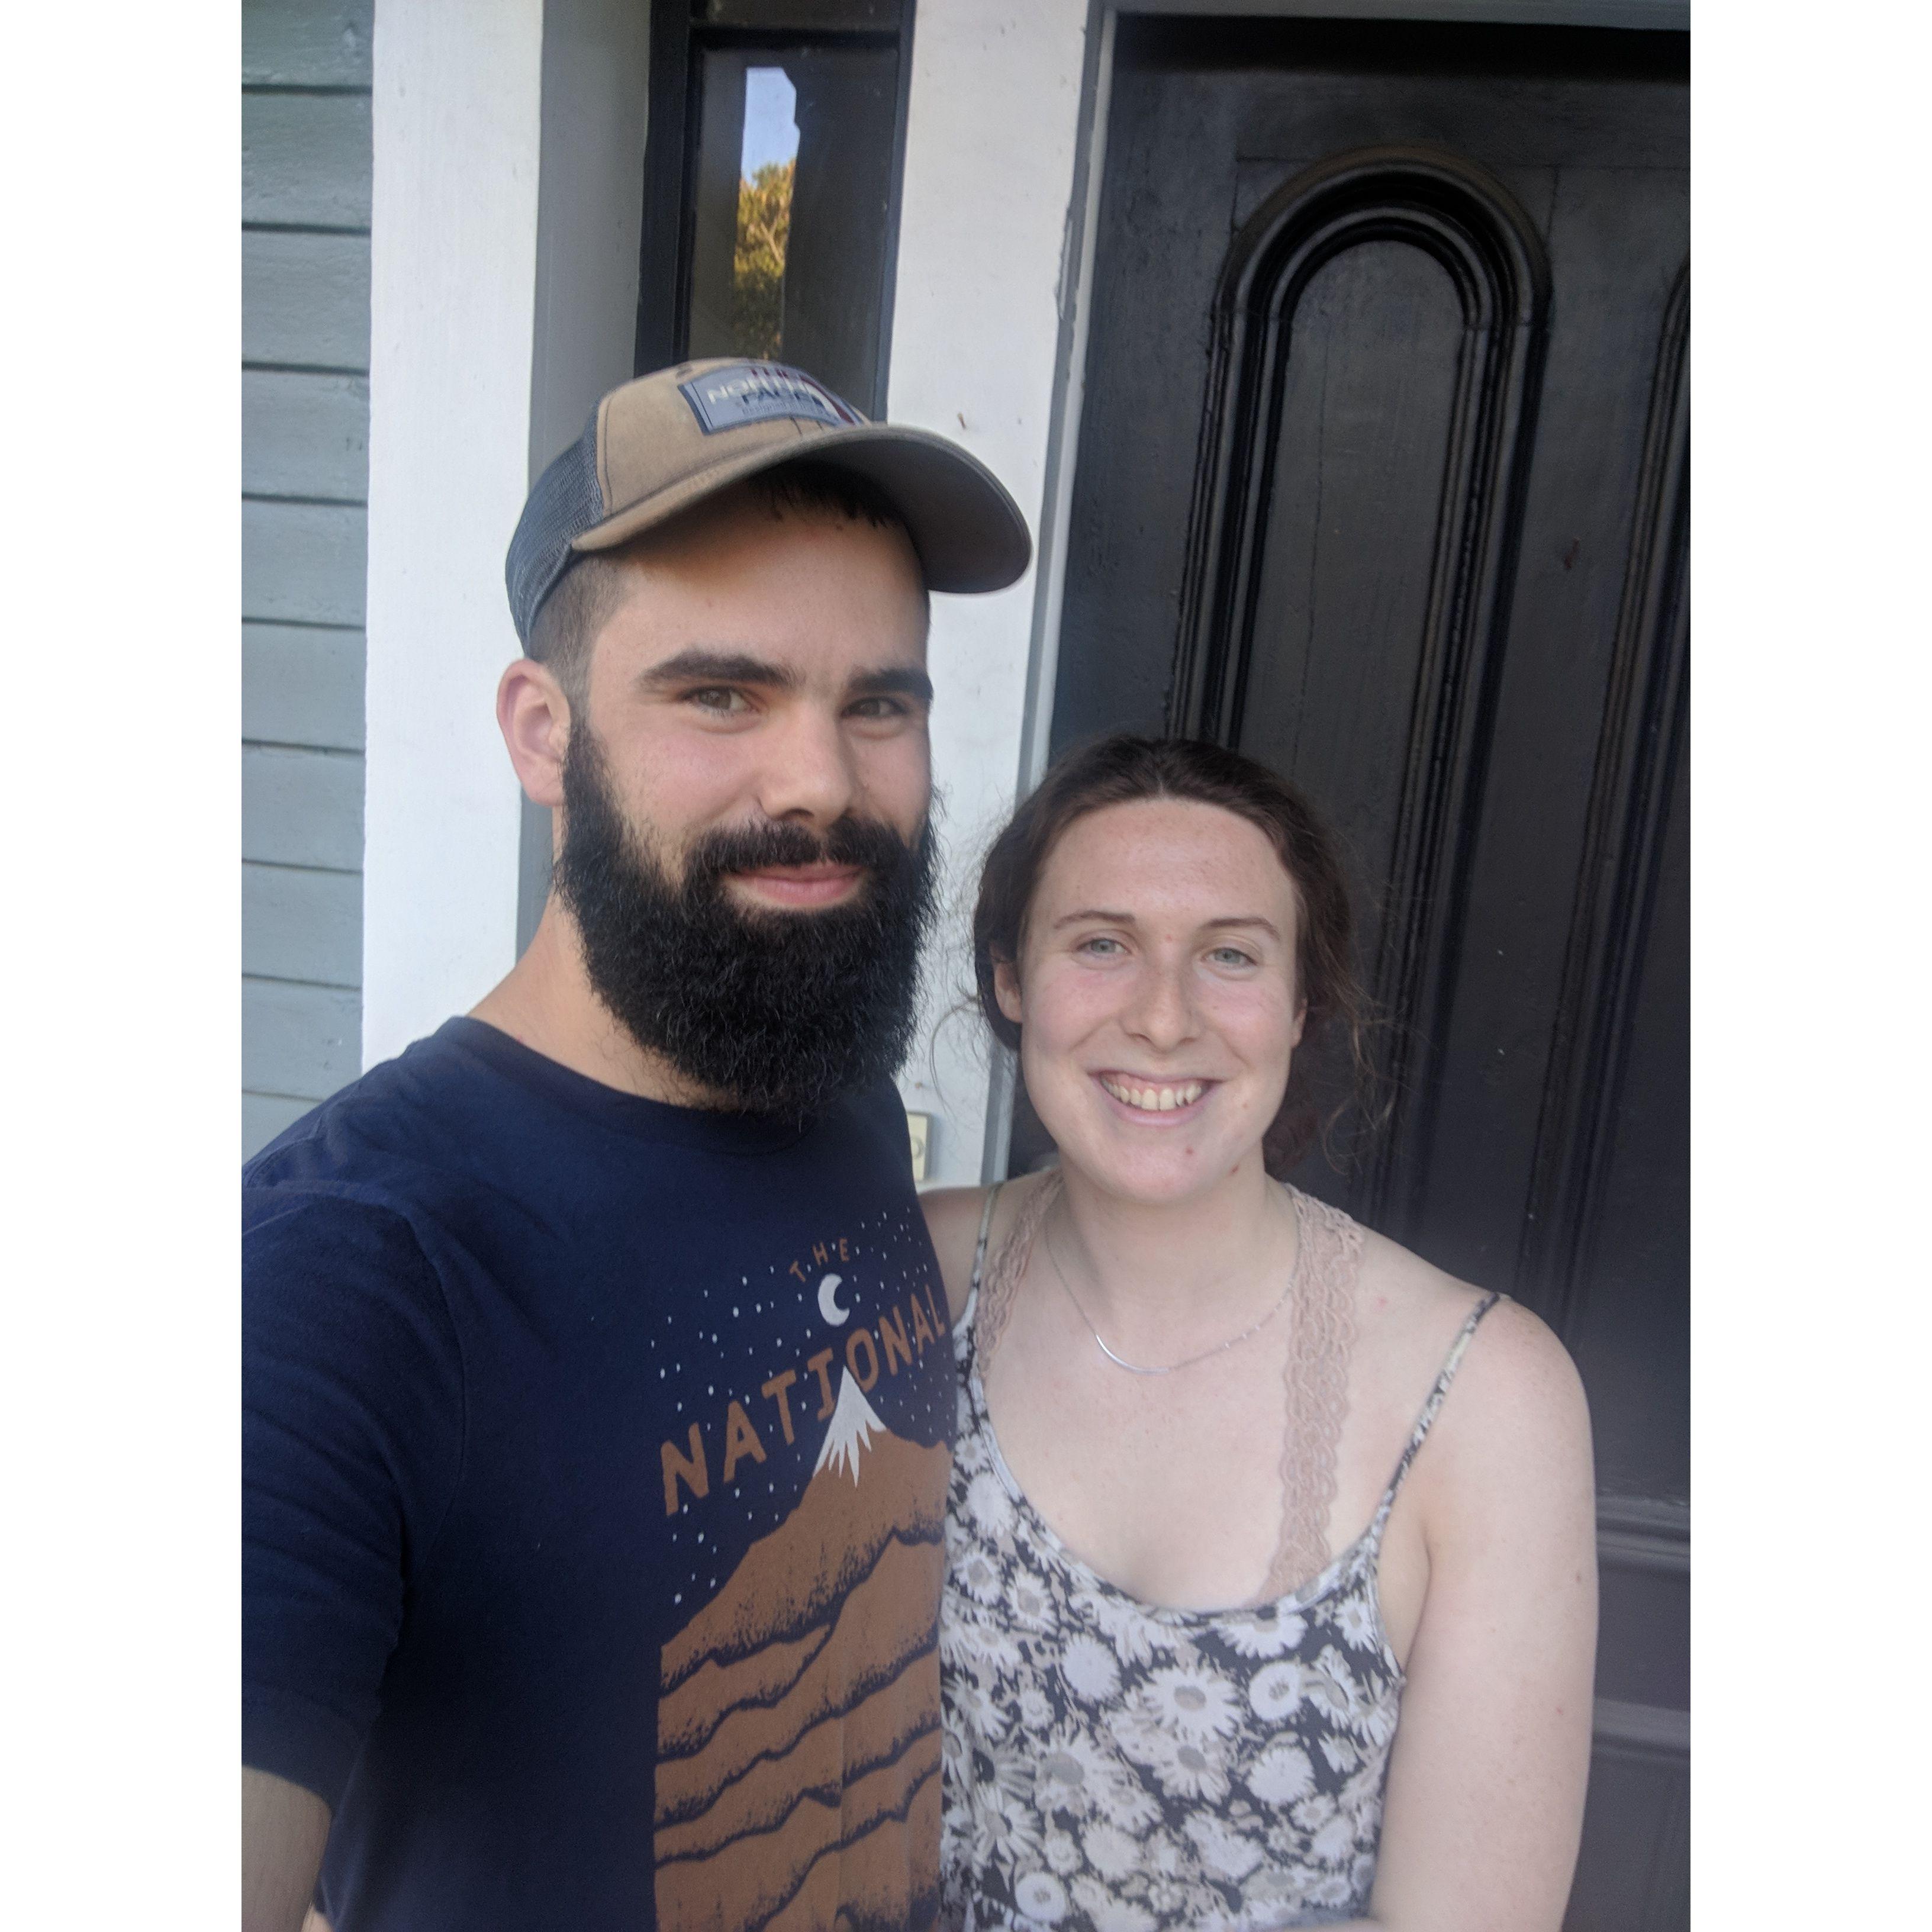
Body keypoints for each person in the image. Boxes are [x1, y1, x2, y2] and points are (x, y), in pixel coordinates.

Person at [242, 359, 1031, 1932]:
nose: (820, 783)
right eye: (721, 694)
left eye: (878, 704)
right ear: (545, 735)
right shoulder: (345, 1272)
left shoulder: (821, 1085)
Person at [921, 735, 1596, 1931]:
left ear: (1301, 1005)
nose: (1165, 1018)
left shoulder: (1484, 1399)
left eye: (1229, 955)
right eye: (1101, 944)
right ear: (1011, 978)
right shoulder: (916, 1282)